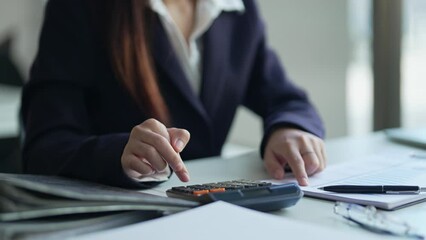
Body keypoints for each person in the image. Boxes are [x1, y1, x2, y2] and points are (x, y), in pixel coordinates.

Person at [21, 0, 326, 188]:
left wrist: (289, 128)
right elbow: (44, 145)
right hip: (123, 220)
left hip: (213, 214)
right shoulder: (80, 7)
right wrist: (120, 153)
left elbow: (286, 98)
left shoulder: (237, 9)